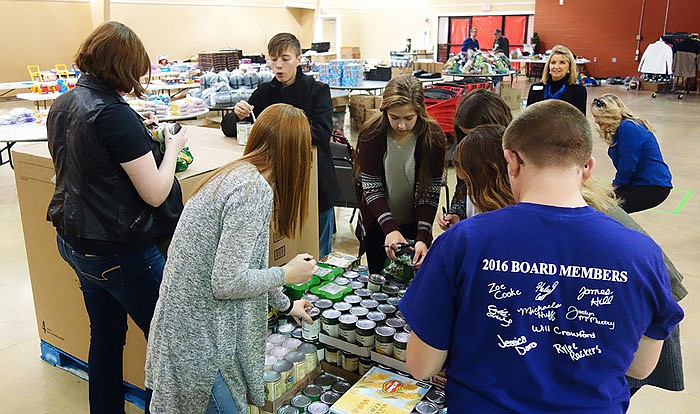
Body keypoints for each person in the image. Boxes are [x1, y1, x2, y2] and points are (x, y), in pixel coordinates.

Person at [399, 100, 684, 412]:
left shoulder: (462, 242)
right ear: (588, 166)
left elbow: (421, 366)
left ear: (512, 161)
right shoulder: (641, 253)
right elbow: (641, 367)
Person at [46, 22, 187, 414]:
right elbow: (156, 192)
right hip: (120, 251)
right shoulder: (113, 115)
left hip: (75, 242)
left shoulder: (63, 103)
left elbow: (80, 169)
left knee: (106, 336)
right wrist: (172, 146)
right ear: (123, 69)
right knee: (169, 341)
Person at [146, 104, 317, 414]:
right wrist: (287, 274)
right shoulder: (252, 190)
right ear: (294, 154)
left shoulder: (238, 174)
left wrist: (287, 305)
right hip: (202, 346)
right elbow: (227, 282)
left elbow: (247, 262)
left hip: (188, 333)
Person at [220, 32, 338, 258]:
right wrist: (238, 115)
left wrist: (272, 134)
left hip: (315, 182)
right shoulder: (265, 92)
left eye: (285, 58)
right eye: (273, 59)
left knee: (319, 253)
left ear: (298, 58)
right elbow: (227, 129)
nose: (279, 65)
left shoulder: (317, 91)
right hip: (276, 183)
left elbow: (321, 133)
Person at [355, 74, 446, 274]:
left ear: (419, 112)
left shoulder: (434, 138)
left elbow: (429, 193)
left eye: (408, 118)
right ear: (385, 111)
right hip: (377, 223)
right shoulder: (371, 135)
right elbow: (372, 188)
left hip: (414, 223)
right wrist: (390, 229)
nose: (401, 125)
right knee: (377, 279)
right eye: (394, 117)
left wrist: (423, 235)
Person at [438, 89, 512, 230]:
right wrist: (457, 217)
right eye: (465, 136)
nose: (469, 144)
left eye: (476, 135)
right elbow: (461, 194)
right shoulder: (467, 160)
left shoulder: (514, 173)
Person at [590, 93, 673, 213]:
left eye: (599, 116)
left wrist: (615, 187)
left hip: (652, 186)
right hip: (638, 183)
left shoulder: (628, 127)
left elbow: (628, 163)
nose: (596, 121)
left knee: (604, 209)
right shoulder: (623, 127)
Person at [526, 44, 587, 114]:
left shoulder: (578, 91)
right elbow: (528, 118)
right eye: (553, 62)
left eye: (562, 63)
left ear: (569, 67)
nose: (556, 66)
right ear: (549, 65)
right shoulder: (535, 89)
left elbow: (580, 122)